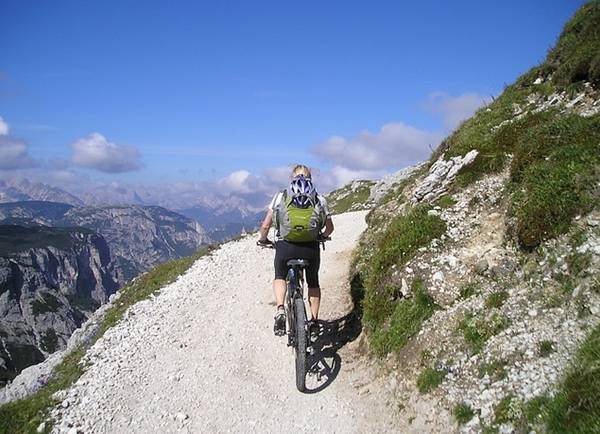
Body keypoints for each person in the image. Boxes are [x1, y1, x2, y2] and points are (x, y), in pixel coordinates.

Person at [257, 164, 334, 336]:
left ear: (292, 178)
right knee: (313, 282)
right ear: (310, 178)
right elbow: (330, 228)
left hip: (285, 247)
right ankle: (314, 321)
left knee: (279, 276)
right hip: (310, 249)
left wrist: (263, 239)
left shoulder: (281, 196)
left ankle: (280, 310)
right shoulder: (319, 199)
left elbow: (266, 225)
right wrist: (321, 236)